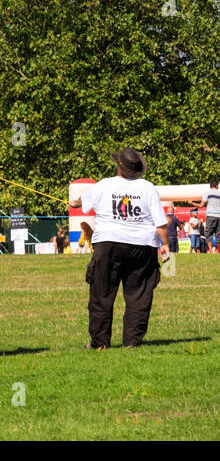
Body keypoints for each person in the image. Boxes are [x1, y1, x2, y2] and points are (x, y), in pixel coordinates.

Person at [80, 148, 169, 350]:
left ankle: (100, 343)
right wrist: (165, 245)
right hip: (142, 245)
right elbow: (161, 223)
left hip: (108, 244)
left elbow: (82, 205)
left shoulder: (104, 184)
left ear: (119, 167)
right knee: (139, 294)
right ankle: (132, 342)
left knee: (101, 293)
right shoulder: (148, 188)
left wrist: (75, 201)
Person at [204, 180, 220, 252]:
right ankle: (218, 252)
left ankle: (210, 251)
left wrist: (192, 203)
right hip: (219, 216)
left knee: (208, 234)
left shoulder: (207, 193)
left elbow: (201, 205)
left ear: (210, 186)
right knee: (218, 235)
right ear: (216, 186)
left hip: (210, 215)